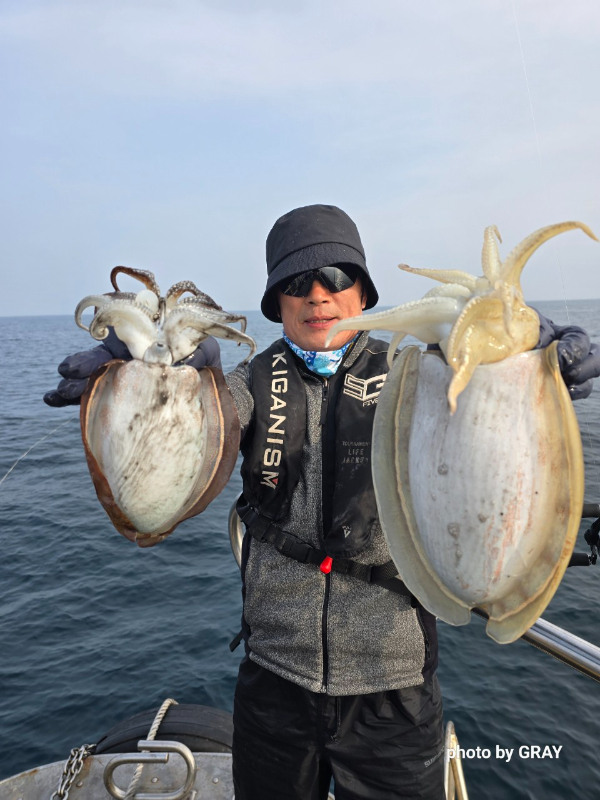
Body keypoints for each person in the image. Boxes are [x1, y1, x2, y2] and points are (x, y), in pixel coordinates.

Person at [45, 204, 600, 799]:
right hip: (274, 680)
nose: (317, 295)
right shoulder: (249, 382)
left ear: (362, 292)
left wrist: (525, 366)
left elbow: (486, 428)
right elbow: (192, 443)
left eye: (336, 277)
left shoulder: (419, 375)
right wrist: (156, 379)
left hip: (393, 684)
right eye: (296, 282)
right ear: (277, 303)